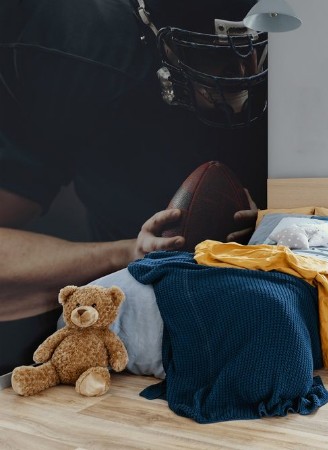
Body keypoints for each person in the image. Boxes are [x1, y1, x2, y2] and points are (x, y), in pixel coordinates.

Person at [0, 0, 268, 373]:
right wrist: (130, 252)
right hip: (120, 298)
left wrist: (270, 226)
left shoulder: (302, 47)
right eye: (206, 52)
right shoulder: (82, 51)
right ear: (150, 29)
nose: (241, 72)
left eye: (253, 47)